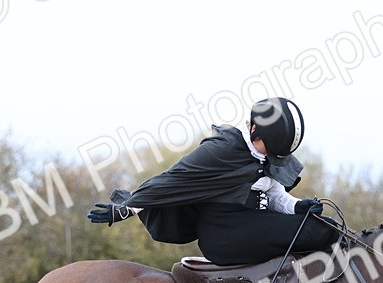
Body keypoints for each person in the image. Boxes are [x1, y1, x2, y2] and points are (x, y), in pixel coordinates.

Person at [87, 98, 339, 266]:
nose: (268, 157)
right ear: (253, 130)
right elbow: (171, 181)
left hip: (253, 222)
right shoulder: (221, 150)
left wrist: (298, 207)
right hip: (223, 233)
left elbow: (273, 194)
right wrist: (126, 208)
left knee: (323, 225)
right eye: (268, 149)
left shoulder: (262, 153)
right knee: (318, 231)